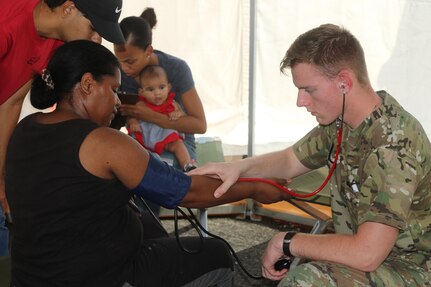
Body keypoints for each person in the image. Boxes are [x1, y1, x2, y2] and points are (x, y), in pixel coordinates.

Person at [4, 40, 290, 287]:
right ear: (88, 84)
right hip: (99, 279)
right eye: (114, 89)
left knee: (148, 226)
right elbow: (186, 192)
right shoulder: (103, 141)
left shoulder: (24, 128)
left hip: (32, 277)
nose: (117, 101)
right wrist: (254, 188)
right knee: (216, 254)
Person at [189, 24, 431, 286]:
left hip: (413, 268)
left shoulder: (393, 146)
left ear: (344, 83)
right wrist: (240, 168)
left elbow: (366, 254)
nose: (300, 101)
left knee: (307, 280)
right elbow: (291, 160)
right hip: (376, 259)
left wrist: (288, 241)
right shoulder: (343, 123)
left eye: (308, 89)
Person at [0, 0, 125, 256]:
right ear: (68, 8)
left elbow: (10, 103)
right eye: (93, 28)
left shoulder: (57, 39)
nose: (96, 40)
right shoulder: (6, 27)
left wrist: (0, 177)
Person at [115, 10, 206, 169]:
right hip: (141, 140)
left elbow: (200, 125)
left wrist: (153, 117)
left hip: (177, 141)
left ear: (148, 51)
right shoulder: (120, 73)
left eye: (130, 61)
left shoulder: (176, 69)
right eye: (119, 61)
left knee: (160, 170)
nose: (124, 68)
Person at [127, 65, 197, 172]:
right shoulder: (141, 104)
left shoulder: (171, 103)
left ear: (168, 87)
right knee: (133, 148)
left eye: (161, 87)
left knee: (178, 144)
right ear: (141, 92)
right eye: (150, 89)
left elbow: (182, 114)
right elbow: (131, 116)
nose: (157, 93)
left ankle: (187, 165)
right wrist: (133, 122)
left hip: (164, 136)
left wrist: (177, 113)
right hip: (145, 136)